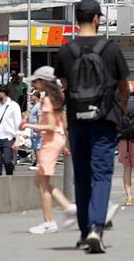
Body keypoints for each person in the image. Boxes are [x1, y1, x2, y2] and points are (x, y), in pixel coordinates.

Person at [54, 0, 130, 254]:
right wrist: (119, 109)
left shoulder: (66, 51)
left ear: (77, 19)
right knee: (101, 174)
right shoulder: (110, 49)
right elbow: (124, 85)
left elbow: (62, 86)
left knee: (82, 177)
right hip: (104, 119)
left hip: (77, 120)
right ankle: (97, 227)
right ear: (97, 19)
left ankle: (85, 230)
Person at [21, 67, 78, 234]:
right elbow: (62, 123)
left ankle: (49, 222)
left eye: (36, 81)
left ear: (43, 82)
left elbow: (51, 126)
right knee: (40, 181)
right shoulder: (57, 97)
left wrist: (29, 125)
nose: (34, 84)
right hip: (57, 140)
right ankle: (68, 208)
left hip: (50, 141)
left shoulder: (47, 101)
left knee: (42, 183)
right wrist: (65, 143)